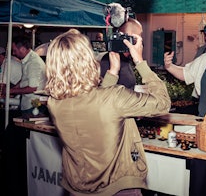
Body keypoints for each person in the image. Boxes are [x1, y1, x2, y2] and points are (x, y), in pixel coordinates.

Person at [45, 29, 170, 196]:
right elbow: (162, 104)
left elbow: (93, 105)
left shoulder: (54, 103)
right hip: (117, 189)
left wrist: (113, 72)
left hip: (77, 188)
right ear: (87, 60)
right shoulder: (114, 98)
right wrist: (140, 61)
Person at [100, 18, 143, 90]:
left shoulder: (128, 58)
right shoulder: (110, 59)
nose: (140, 40)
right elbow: (104, 93)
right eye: (138, 36)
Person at [8, 35, 46, 111]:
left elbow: (32, 88)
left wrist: (10, 91)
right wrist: (13, 88)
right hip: (29, 103)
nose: (13, 53)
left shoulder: (33, 63)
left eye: (15, 50)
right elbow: (24, 80)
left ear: (22, 49)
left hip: (33, 105)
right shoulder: (28, 60)